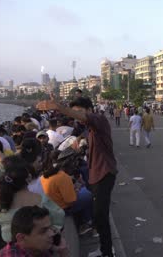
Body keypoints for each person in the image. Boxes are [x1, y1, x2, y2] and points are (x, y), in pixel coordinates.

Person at [37, 95, 117, 257]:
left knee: (100, 215)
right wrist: (80, 141)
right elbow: (87, 133)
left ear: (89, 110)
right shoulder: (91, 126)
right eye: (75, 112)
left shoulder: (98, 119)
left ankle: (107, 252)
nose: (77, 115)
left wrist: (59, 108)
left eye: (79, 111)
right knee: (98, 215)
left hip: (104, 173)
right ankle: (105, 249)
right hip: (96, 174)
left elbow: (85, 118)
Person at [0, 156, 64, 251]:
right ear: (28, 179)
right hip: (39, 246)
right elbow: (59, 219)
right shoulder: (40, 198)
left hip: (12, 247)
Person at [40, 152, 93, 235]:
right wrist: (76, 191)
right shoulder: (63, 177)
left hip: (52, 206)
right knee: (88, 194)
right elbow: (70, 201)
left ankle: (85, 221)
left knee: (83, 192)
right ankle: (86, 223)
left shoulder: (45, 175)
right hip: (62, 209)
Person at [0, 206, 69, 257]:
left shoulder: (35, 248)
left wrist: (61, 250)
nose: (52, 233)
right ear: (21, 238)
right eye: (43, 231)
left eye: (50, 228)